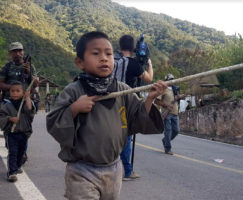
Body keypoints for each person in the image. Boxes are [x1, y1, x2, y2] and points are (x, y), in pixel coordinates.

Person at [46, 31, 166, 200]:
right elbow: (53, 123)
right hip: (82, 170)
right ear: (80, 62)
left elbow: (138, 117)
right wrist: (74, 108)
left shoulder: (123, 90)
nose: (104, 58)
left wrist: (150, 99)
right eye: (96, 53)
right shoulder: (74, 90)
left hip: (114, 169)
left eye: (108, 54)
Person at [114, 34, 154, 181]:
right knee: (126, 136)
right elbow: (149, 79)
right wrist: (149, 64)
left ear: (119, 47)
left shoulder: (112, 61)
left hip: (108, 103)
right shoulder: (134, 64)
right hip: (125, 104)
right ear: (133, 48)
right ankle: (127, 171)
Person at [0, 81, 35, 182]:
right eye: (12, 91)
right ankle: (12, 173)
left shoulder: (25, 103)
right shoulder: (6, 105)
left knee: (21, 153)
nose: (15, 93)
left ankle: (18, 166)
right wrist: (10, 118)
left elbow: (30, 110)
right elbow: (1, 116)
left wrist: (28, 97)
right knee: (13, 152)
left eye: (18, 91)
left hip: (24, 133)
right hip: (11, 134)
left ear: (23, 92)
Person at [155, 74, 184, 155]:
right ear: (166, 80)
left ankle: (165, 140)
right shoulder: (163, 89)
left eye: (172, 79)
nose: (171, 81)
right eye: (170, 79)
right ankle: (168, 149)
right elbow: (156, 101)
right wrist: (165, 105)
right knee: (168, 131)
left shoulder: (176, 89)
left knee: (176, 130)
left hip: (175, 113)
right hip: (166, 113)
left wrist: (180, 97)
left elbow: (178, 99)